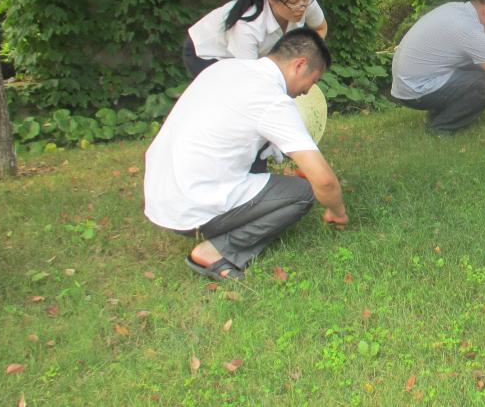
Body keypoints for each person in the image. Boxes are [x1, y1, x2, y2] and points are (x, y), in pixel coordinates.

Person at [145, 28, 348, 281]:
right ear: (299, 65)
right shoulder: (271, 99)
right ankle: (216, 251)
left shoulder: (224, 68)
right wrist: (337, 212)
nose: (308, 91)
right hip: (191, 205)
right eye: (314, 80)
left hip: (160, 195)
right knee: (302, 193)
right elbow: (324, 181)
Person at [391, 0, 485, 132]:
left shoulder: (454, 9)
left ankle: (436, 116)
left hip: (405, 85)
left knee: (482, 70)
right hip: (416, 90)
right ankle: (441, 127)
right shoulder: (470, 30)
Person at [183, 0, 329, 77]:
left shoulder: (305, 2)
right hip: (205, 52)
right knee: (233, 94)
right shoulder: (248, 26)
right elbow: (251, 78)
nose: (302, 7)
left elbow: (320, 28)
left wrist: (307, 57)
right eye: (293, 2)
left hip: (243, 53)